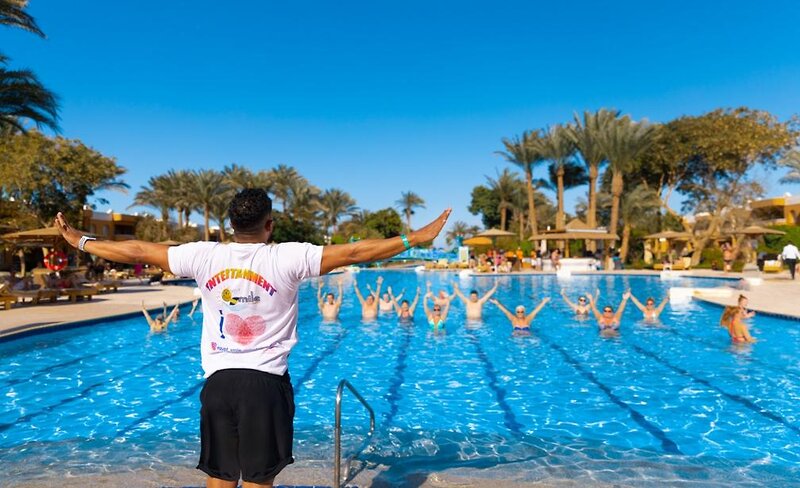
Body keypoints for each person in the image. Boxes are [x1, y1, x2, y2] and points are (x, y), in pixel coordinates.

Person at [54, 188, 450, 488]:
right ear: (269, 224)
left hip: (218, 384)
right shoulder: (288, 256)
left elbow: (138, 249)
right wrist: (414, 239)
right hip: (265, 384)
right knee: (259, 481)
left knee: (219, 477)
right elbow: (354, 253)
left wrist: (82, 241)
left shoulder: (203, 255)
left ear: (231, 225)